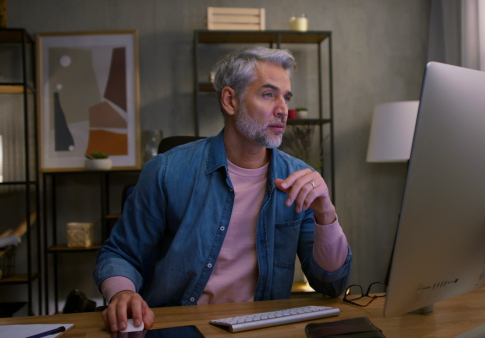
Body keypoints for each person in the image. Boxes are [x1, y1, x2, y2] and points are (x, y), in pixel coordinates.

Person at [93, 46, 352, 333]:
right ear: (230, 101)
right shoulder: (166, 171)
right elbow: (120, 253)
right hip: (180, 327)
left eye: (286, 97)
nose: (283, 109)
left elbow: (331, 283)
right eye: (269, 94)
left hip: (263, 329)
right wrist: (122, 293)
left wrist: (326, 214)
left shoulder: (298, 180)